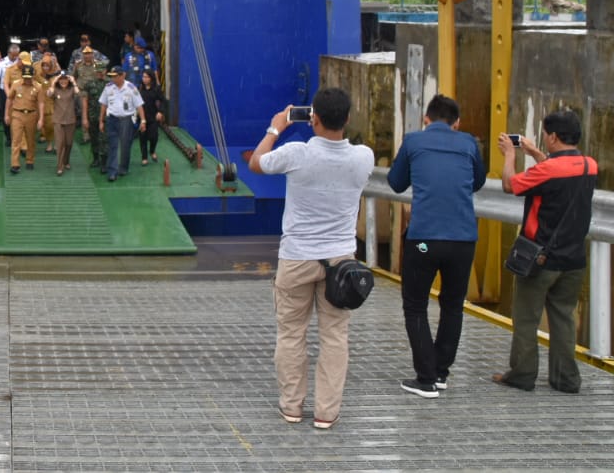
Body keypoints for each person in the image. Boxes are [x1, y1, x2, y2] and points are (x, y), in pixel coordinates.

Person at [248, 88, 375, 429]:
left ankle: (291, 406)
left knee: (291, 333)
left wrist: (276, 127)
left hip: (297, 258)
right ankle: (326, 413)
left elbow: (256, 162)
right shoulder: (364, 157)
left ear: (313, 118)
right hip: (341, 263)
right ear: (347, 119)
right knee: (334, 336)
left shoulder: (297, 153)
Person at [387, 94, 487, 397]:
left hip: (424, 243)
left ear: (426, 119)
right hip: (462, 242)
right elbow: (478, 182)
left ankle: (426, 377)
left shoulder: (413, 141)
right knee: (453, 305)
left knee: (415, 304)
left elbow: (396, 183)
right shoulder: (469, 143)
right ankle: (441, 372)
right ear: (457, 123)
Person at [492, 109, 597, 394]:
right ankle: (566, 379)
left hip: (541, 258)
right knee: (563, 318)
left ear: (552, 137)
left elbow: (510, 185)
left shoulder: (548, 170)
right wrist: (536, 153)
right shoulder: (589, 165)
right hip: (574, 259)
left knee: (526, 317)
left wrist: (510, 156)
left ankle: (523, 374)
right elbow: (556, 174)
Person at [98, 67, 146, 182]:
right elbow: (103, 104)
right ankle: (112, 172)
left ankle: (123, 168)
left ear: (122, 75)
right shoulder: (108, 87)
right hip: (112, 119)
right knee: (112, 145)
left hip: (126, 120)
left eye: (115, 76)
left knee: (125, 145)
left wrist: (143, 121)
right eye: (112, 76)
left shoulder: (131, 88)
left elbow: (139, 105)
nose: (113, 79)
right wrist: (101, 121)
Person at [6, 63, 44, 174]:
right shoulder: (16, 84)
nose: (27, 80)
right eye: (25, 77)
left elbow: (41, 103)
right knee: (16, 140)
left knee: (30, 139)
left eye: (29, 77)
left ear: (33, 76)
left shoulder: (38, 87)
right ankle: (15, 164)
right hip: (17, 114)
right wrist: (6, 114)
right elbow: (9, 99)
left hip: (31, 115)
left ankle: (30, 160)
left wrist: (41, 119)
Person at [74, 46, 109, 167]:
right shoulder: (88, 82)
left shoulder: (109, 84)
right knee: (94, 138)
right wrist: (85, 118)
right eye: (85, 54)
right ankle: (96, 159)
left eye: (101, 71)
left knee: (104, 139)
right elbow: (85, 100)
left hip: (106, 115)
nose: (99, 73)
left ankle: (104, 162)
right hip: (92, 111)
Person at [48, 72, 80, 175]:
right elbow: (49, 94)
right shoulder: (55, 89)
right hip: (58, 120)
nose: (63, 81)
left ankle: (66, 161)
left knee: (68, 143)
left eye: (65, 79)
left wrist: (74, 82)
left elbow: (78, 93)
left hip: (70, 120)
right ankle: (60, 166)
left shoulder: (72, 89)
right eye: (61, 79)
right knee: (60, 143)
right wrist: (53, 82)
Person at [137, 71, 166, 166]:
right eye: (143, 77)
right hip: (142, 117)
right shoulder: (140, 89)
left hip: (153, 117)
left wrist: (160, 112)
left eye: (146, 77)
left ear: (151, 78)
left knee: (154, 136)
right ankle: (144, 157)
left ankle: (152, 151)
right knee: (143, 137)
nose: (144, 79)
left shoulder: (156, 89)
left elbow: (162, 101)